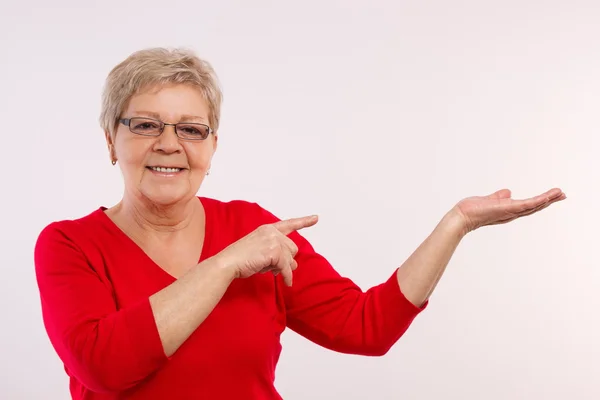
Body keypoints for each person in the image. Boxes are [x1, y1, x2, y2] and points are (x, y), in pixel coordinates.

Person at [34, 47, 566, 400]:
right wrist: (224, 266)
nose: (169, 144)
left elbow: (366, 327)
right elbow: (103, 367)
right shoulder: (69, 244)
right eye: (146, 125)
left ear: (212, 147)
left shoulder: (251, 227)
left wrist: (456, 223)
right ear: (111, 140)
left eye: (191, 129)